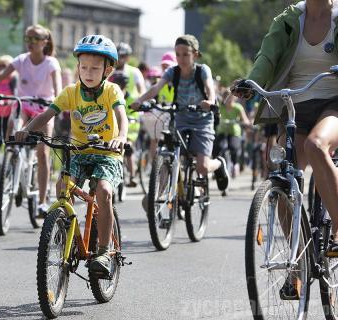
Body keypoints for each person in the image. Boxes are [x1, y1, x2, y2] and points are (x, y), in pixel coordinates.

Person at [15, 34, 127, 275]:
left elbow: (121, 117)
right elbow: (47, 114)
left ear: (107, 70)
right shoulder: (70, 92)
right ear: (77, 67)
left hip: (107, 153)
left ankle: (104, 252)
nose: (88, 72)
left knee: (104, 192)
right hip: (78, 152)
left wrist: (121, 137)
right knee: (63, 186)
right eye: (83, 67)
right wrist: (26, 130)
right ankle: (68, 233)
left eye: (95, 68)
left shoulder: (111, 91)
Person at [233, 0, 338, 252]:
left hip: (333, 103)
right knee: (282, 174)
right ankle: (297, 259)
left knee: (316, 145)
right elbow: (266, 57)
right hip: (295, 105)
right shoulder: (289, 20)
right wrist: (251, 82)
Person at [0, 24, 62, 216]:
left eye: (35, 39)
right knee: (14, 128)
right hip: (24, 105)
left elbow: (58, 87)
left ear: (44, 42)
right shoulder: (21, 60)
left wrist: (58, 102)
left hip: (45, 108)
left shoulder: (51, 63)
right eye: (27, 39)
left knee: (42, 152)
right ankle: (13, 163)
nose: (30, 43)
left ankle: (41, 202)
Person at [131, 34, 229, 192]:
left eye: (186, 54)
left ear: (195, 54)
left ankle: (219, 164)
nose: (181, 58)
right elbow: (156, 88)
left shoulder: (202, 70)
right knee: (170, 152)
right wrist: (140, 101)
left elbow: (210, 88)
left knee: (202, 168)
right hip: (181, 118)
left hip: (202, 120)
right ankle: (157, 195)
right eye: (177, 54)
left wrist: (210, 102)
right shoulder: (172, 71)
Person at [109, 71, 139, 187]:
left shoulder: (131, 99)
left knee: (128, 149)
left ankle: (132, 176)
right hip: (116, 129)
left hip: (130, 129)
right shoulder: (112, 96)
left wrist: (131, 118)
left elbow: (135, 115)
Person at [212, 91, 250, 178]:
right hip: (222, 131)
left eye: (231, 97)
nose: (229, 99)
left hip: (234, 132)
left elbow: (245, 120)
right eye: (226, 97)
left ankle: (235, 164)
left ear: (235, 98)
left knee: (234, 147)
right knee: (216, 148)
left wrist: (246, 123)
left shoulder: (238, 108)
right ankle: (216, 168)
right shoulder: (220, 107)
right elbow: (215, 115)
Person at [0, 55, 17, 144]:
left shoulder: (14, 79)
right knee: (0, 134)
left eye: (4, 66)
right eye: (0, 66)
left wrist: (8, 102)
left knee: (9, 136)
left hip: (11, 111)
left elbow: (16, 94)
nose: (1, 68)